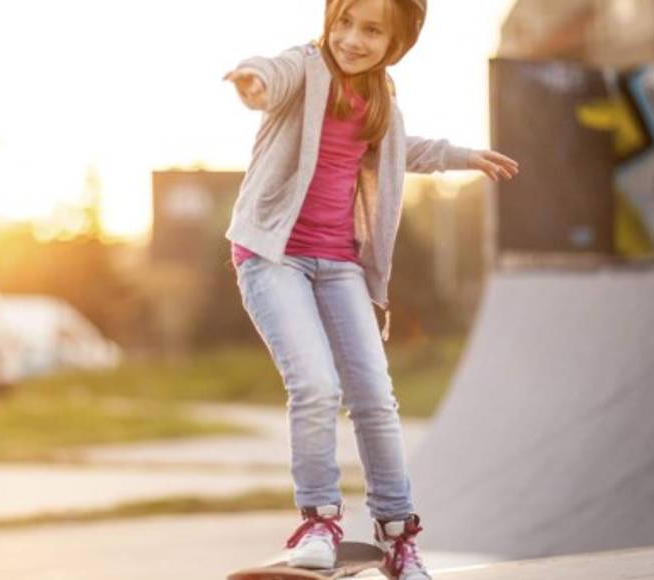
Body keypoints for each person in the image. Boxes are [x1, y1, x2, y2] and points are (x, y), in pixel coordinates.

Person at [222, 0, 518, 578]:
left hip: (340, 266)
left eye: (371, 30)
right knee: (314, 384)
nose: (352, 39)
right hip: (271, 255)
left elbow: (398, 150)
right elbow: (271, 75)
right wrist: (252, 81)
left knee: (375, 400)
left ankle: (397, 535)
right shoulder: (305, 68)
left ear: (396, 42)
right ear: (329, 21)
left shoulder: (383, 97)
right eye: (344, 22)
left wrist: (462, 155)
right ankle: (319, 521)